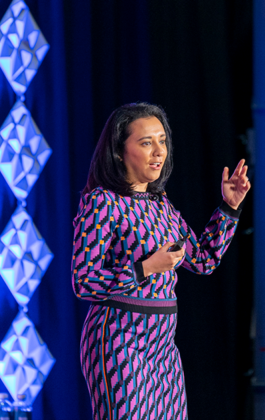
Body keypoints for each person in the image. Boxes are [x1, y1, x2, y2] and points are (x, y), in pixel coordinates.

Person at [72, 103, 250, 419]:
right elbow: (84, 281)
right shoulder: (102, 202)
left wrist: (229, 207)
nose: (158, 151)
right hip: (118, 338)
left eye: (162, 140)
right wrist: (146, 267)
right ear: (118, 151)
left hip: (163, 346)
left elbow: (204, 260)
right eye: (146, 142)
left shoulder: (161, 204)